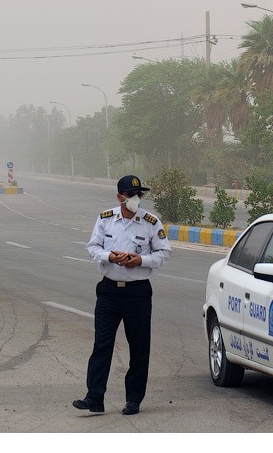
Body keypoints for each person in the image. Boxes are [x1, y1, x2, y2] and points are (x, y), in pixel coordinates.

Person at [72, 175, 172, 416]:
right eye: (131, 195)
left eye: (140, 195)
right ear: (119, 197)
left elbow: (164, 253)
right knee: (102, 345)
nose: (136, 199)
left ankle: (133, 399)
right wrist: (109, 257)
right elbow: (92, 247)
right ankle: (94, 397)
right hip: (108, 292)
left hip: (137, 293)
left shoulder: (150, 222)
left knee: (139, 348)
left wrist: (141, 260)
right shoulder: (106, 219)